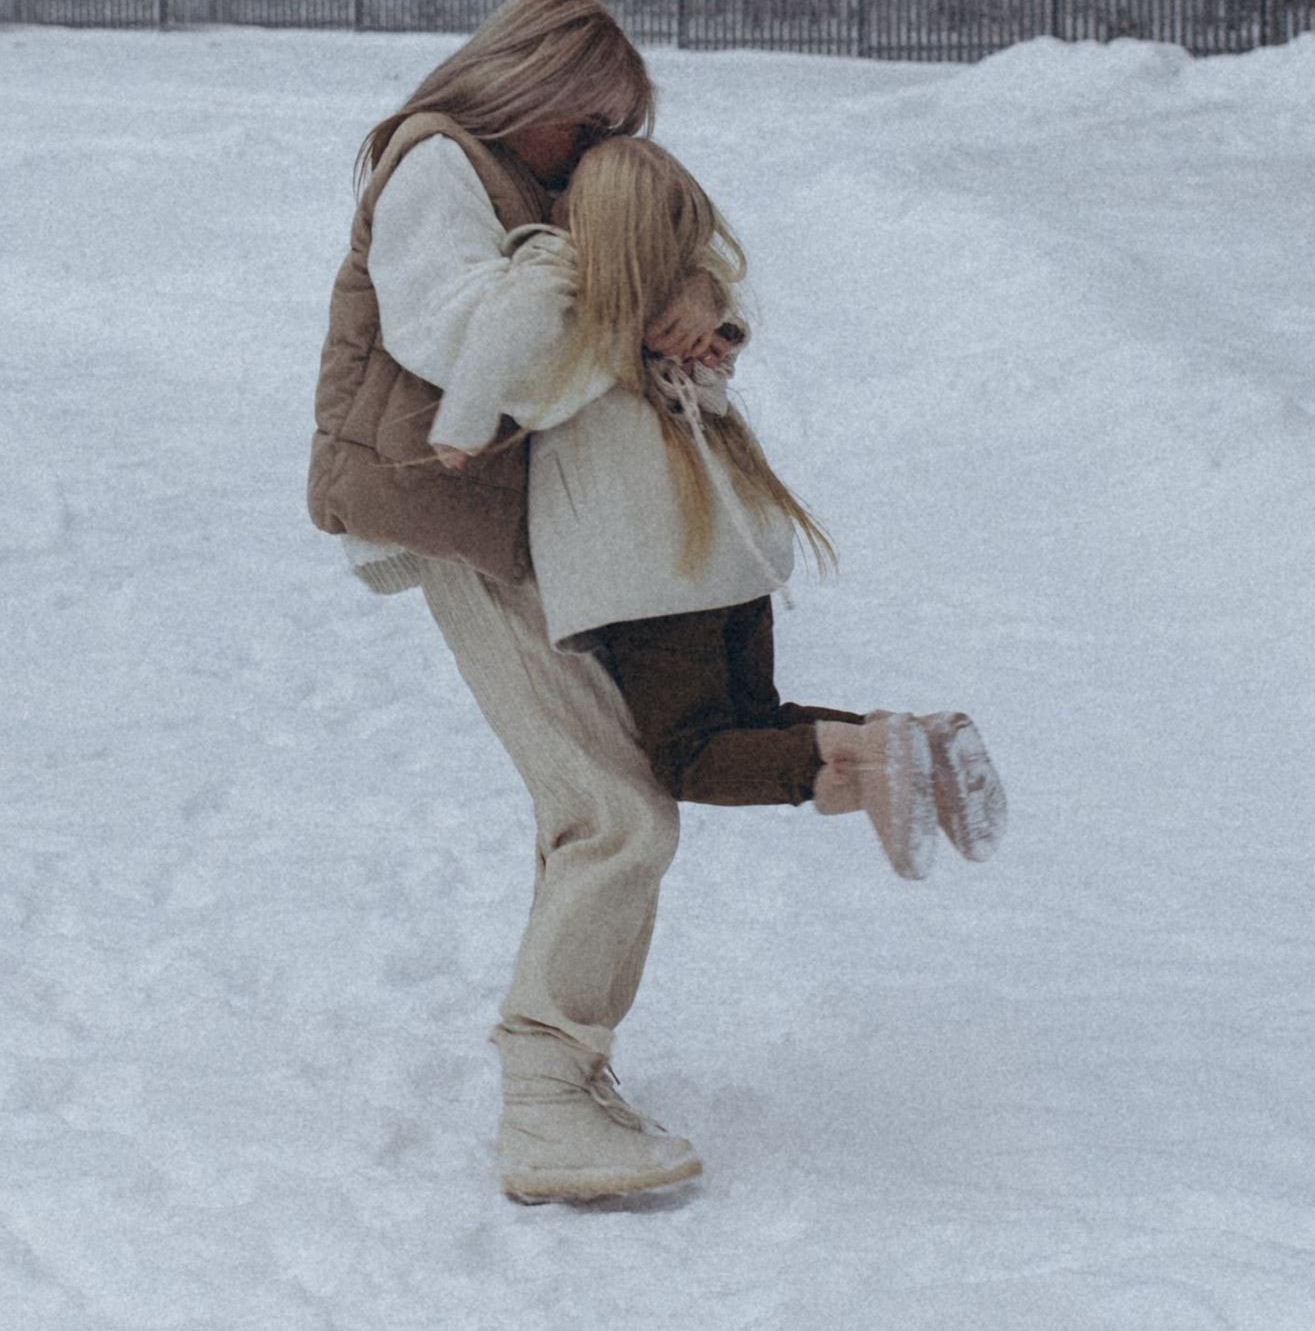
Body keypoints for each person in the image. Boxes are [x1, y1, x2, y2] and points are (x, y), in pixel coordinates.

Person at [308, 0, 713, 1206]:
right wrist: (600, 277)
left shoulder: (519, 182)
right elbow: (458, 338)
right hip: (462, 524)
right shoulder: (439, 165)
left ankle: (567, 1075)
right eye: (587, 126)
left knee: (603, 797)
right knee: (617, 808)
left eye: (619, 134)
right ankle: (545, 1101)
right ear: (529, 82)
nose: (596, 154)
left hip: (522, 524)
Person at [422, 133, 1006, 901]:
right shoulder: (688, 308)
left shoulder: (561, 270)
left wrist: (461, 427)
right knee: (756, 721)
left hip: (655, 578)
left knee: (688, 754)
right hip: (736, 559)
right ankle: (922, 743)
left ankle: (873, 752)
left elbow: (504, 326)